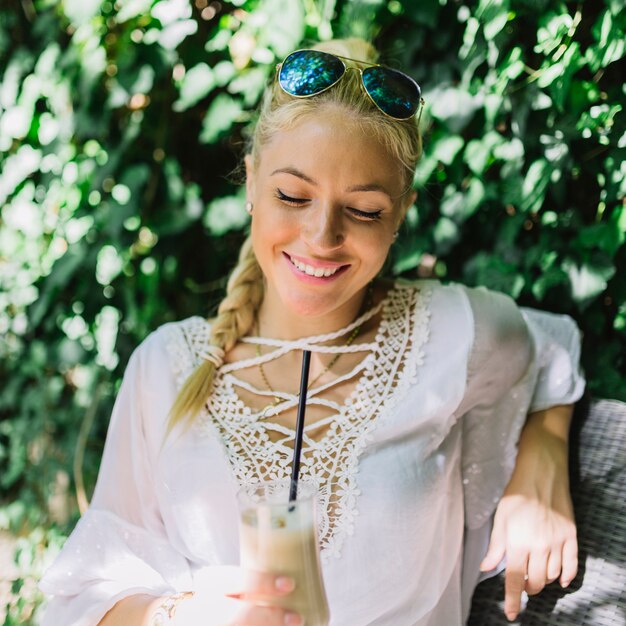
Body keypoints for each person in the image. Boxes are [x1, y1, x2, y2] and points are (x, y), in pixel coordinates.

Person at [39, 37, 585, 626]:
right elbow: (83, 598)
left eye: (366, 210)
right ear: (251, 184)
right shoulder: (165, 368)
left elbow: (548, 342)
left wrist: (544, 453)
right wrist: (181, 614)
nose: (322, 236)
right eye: (292, 195)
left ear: (400, 213)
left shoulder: (451, 335)